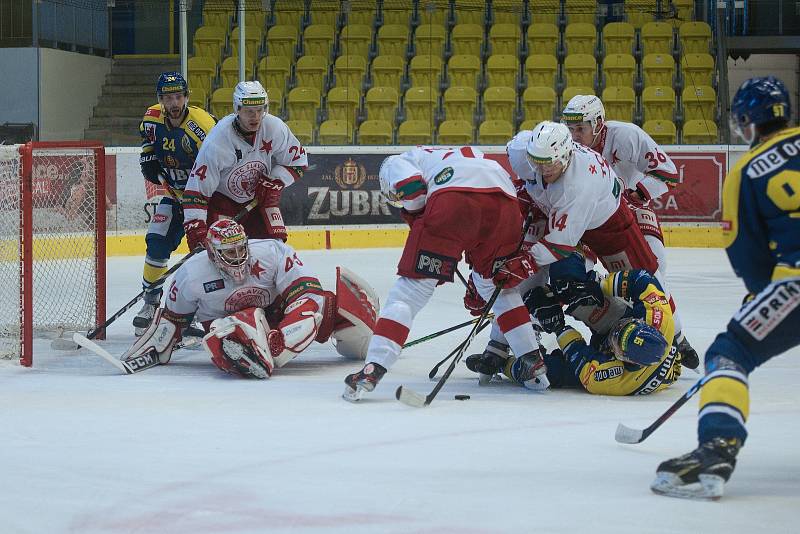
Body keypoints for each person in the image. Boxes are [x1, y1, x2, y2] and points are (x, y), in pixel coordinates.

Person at [650, 76, 800, 500]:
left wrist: (762, 294)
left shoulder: (749, 170)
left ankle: (717, 447)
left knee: (729, 353)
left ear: (748, 122)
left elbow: (748, 256)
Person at [342, 146, 550, 401]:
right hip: (506, 207)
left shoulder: (399, 161)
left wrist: (421, 222)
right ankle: (533, 366)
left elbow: (412, 190)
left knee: (407, 295)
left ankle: (372, 369)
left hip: (454, 201)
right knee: (495, 287)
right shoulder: (454, 155)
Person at [120, 219, 379, 378]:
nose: (238, 257)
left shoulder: (271, 251)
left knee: (327, 304)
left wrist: (285, 335)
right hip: (225, 325)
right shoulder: (190, 274)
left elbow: (306, 293)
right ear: (212, 254)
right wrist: (152, 348)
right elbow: (171, 322)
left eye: (240, 249)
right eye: (228, 252)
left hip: (277, 317)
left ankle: (374, 340)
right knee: (238, 326)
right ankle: (247, 350)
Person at [560, 94, 700, 368]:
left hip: (629, 215)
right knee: (573, 278)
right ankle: (607, 332)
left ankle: (678, 338)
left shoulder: (627, 136)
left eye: (580, 129)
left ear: (599, 123)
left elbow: (667, 173)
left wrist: (634, 195)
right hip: (585, 224)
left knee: (653, 275)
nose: (574, 137)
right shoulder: (564, 148)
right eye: (570, 129)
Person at [134, 72, 217, 336]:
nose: (174, 103)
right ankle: (150, 302)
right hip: (173, 195)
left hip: (205, 201)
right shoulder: (151, 118)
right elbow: (148, 142)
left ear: (187, 97)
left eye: (178, 97)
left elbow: (222, 159)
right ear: (160, 99)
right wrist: (148, 157)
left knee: (207, 254)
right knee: (156, 241)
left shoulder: (203, 125)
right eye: (168, 98)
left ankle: (202, 309)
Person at [182, 80, 308, 254]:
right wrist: (197, 231)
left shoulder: (275, 128)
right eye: (249, 111)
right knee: (225, 257)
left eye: (259, 110)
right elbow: (196, 193)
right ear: (237, 109)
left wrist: (273, 183)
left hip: (259, 200)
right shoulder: (218, 141)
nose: (255, 116)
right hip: (223, 203)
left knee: (276, 250)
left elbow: (299, 163)